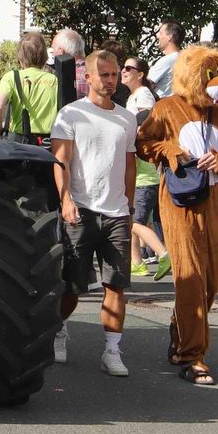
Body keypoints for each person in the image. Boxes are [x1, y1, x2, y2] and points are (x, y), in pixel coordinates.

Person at [136, 47, 218, 383]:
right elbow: (143, 142)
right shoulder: (167, 108)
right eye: (210, 77)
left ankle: (181, 328)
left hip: (214, 200)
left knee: (212, 277)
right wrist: (169, 150)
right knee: (191, 277)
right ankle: (193, 355)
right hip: (179, 202)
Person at [50, 50, 137, 376]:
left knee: (116, 285)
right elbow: (62, 162)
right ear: (88, 77)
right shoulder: (71, 114)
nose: (111, 80)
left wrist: (128, 205)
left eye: (115, 74)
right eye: (104, 75)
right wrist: (66, 200)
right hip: (81, 210)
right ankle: (58, 330)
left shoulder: (126, 118)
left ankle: (112, 351)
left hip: (115, 213)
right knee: (72, 286)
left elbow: (129, 165)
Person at [120, 57, 170, 278]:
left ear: (140, 74)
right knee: (134, 218)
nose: (123, 71)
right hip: (140, 171)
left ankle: (162, 254)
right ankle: (137, 262)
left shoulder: (144, 95)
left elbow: (146, 126)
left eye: (128, 68)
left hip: (145, 173)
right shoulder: (134, 96)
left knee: (133, 220)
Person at [0, 31, 60, 145]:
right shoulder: (54, 80)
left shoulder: (12, 77)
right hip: (47, 143)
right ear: (44, 56)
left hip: (19, 142)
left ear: (20, 56)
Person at [50, 29, 87, 108]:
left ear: (61, 52)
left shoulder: (61, 77)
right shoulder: (96, 71)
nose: (52, 53)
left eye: (53, 49)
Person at [147, 21, 182, 91]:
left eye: (160, 33)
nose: (157, 36)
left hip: (162, 100)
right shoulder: (183, 58)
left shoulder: (167, 60)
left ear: (169, 37)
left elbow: (145, 85)